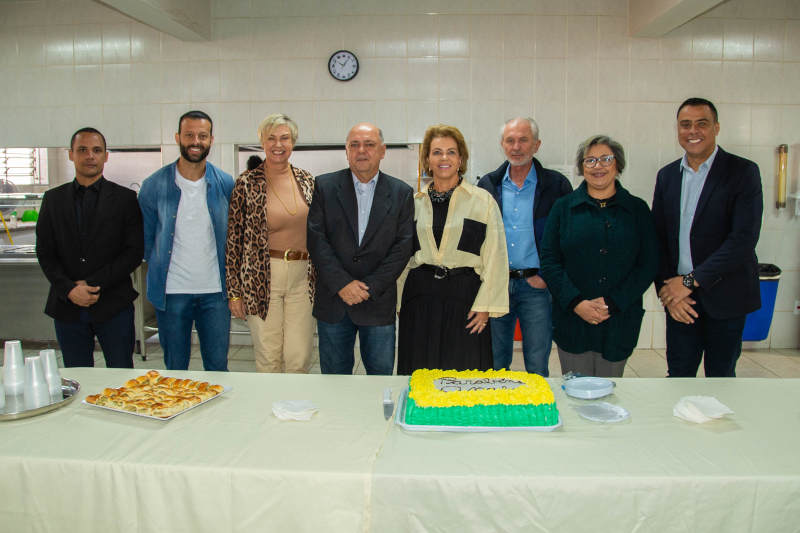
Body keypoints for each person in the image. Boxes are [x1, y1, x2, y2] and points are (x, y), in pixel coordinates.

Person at [652, 98, 763, 378]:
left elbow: (742, 240)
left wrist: (689, 282)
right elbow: (659, 238)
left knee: (721, 379)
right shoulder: (667, 176)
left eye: (702, 124)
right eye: (685, 124)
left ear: (716, 127)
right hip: (680, 299)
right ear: (677, 130)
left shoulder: (743, 172)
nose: (693, 131)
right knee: (678, 376)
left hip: (726, 296)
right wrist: (668, 292)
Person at [539, 135, 659, 378]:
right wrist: (576, 302)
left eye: (606, 159)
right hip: (573, 318)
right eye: (590, 160)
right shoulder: (563, 208)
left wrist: (613, 303)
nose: (598, 166)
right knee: (575, 391)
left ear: (618, 164)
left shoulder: (637, 209)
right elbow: (550, 260)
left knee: (610, 393)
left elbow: (649, 263)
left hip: (619, 320)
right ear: (582, 168)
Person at [397, 124, 508, 374]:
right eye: (436, 152)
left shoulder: (482, 201)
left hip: (465, 298)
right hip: (419, 297)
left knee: (464, 372)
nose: (443, 158)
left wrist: (485, 304)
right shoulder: (413, 203)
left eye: (451, 152)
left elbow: (496, 256)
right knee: (420, 372)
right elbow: (403, 257)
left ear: (461, 159)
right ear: (427, 159)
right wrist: (399, 299)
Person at [307, 123, 414, 375]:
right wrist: (342, 284)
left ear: (383, 151)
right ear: (346, 151)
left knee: (379, 381)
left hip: (377, 302)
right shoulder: (325, 186)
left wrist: (369, 288)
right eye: (354, 145)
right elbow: (316, 240)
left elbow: (402, 247)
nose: (361, 150)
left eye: (369, 144)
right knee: (334, 381)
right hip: (335, 301)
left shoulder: (401, 193)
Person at [36, 127, 144, 368]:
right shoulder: (53, 199)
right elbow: (45, 251)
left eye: (96, 150)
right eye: (82, 150)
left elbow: (133, 252)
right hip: (68, 306)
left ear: (106, 156)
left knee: (120, 377)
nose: (89, 156)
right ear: (71, 154)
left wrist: (92, 283)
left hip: (114, 305)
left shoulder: (126, 199)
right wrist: (69, 288)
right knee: (78, 378)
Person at [138, 111, 235, 371]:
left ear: (211, 140)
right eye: (189, 135)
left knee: (217, 369)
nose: (196, 141)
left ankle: (216, 415)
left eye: (202, 136)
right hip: (171, 294)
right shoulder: (153, 186)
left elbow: (234, 239)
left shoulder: (226, 183)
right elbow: (146, 241)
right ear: (177, 137)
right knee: (175, 369)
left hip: (215, 293)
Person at [478, 117, 572, 377]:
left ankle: (537, 413)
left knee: (537, 362)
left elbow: (568, 238)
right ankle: (498, 412)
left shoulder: (556, 186)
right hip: (497, 286)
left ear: (537, 145)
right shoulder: (487, 185)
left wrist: (546, 277)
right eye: (510, 140)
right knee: (495, 361)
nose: (516, 146)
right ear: (502, 145)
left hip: (537, 287)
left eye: (523, 140)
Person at [226, 114, 315, 373]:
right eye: (272, 138)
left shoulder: (308, 181)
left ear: (293, 142)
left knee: (299, 356)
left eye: (284, 138)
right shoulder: (246, 183)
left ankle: (294, 411)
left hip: (303, 277)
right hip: (261, 278)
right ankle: (270, 411)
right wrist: (235, 292)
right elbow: (234, 241)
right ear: (262, 143)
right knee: (269, 357)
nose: (278, 144)